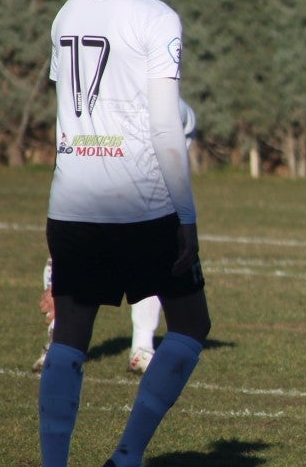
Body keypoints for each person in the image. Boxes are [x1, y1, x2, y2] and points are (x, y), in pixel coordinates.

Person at [36, 0, 210, 467]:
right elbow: (167, 129)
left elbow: (66, 119)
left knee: (71, 342)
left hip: (73, 201)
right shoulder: (155, 17)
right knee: (191, 324)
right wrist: (186, 218)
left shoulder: (67, 13)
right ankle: (126, 461)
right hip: (139, 206)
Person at [33, 99, 198, 375]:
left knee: (150, 259)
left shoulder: (162, 109)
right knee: (66, 260)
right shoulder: (85, 112)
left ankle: (142, 348)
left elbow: (179, 131)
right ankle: (57, 339)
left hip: (137, 197)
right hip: (91, 197)